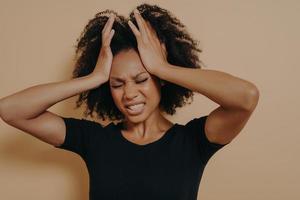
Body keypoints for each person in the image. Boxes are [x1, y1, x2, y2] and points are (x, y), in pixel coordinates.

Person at [0, 3, 259, 200]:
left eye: (142, 79)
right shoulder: (95, 141)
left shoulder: (193, 142)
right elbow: (10, 110)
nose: (130, 93)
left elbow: (246, 97)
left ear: (160, 79)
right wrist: (94, 78)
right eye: (117, 83)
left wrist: (163, 67)